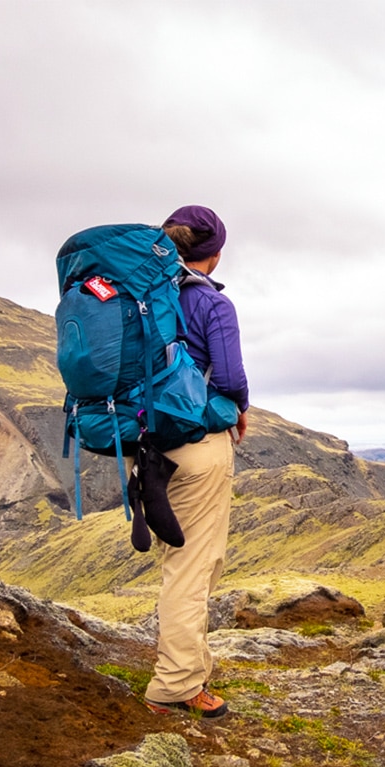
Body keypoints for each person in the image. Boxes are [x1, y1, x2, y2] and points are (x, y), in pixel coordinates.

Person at [142, 204, 249, 718]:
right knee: (192, 567)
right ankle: (177, 684)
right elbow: (228, 378)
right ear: (216, 253)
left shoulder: (145, 296)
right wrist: (240, 410)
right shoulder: (211, 305)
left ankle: (191, 663)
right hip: (198, 445)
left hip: (149, 443)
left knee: (181, 563)